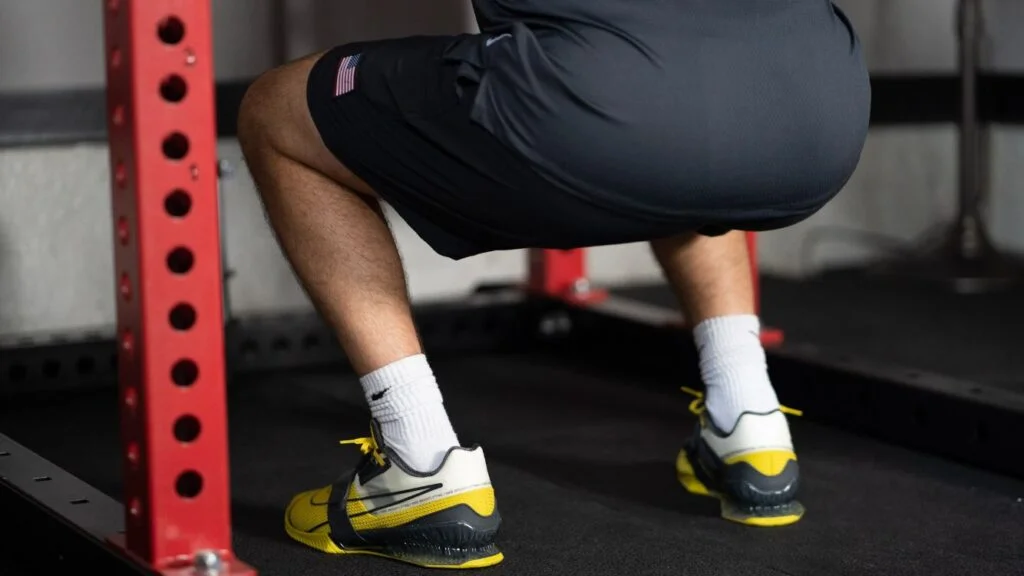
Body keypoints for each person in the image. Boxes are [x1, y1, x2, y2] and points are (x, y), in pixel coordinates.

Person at [237, 0, 869, 568]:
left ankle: (418, 462)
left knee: (275, 112)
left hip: (612, 112)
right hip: (822, 111)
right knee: (697, 94)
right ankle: (750, 420)